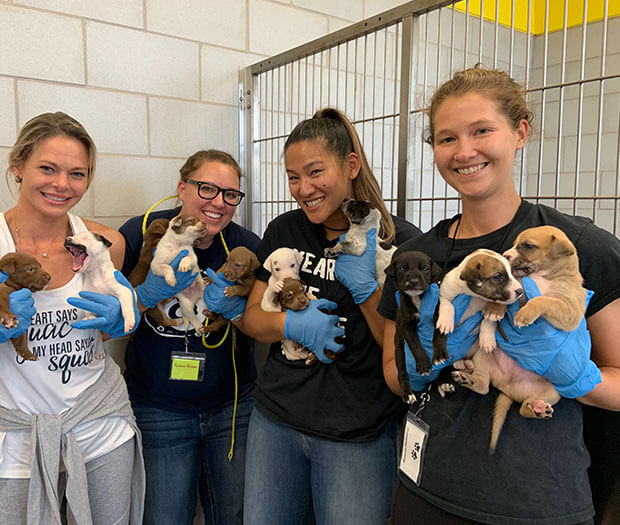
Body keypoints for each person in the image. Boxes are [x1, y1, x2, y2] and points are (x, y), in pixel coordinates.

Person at [378, 66, 620, 524]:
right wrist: (423, 362)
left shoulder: (578, 247)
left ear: (520, 132)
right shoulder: (417, 258)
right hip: (427, 488)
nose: (464, 151)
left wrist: (575, 377)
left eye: (482, 130)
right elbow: (393, 373)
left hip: (537, 501)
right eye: (446, 138)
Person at [0, 112, 145, 524]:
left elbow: (108, 333)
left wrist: (122, 321)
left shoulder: (105, 244)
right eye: (47, 168)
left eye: (77, 174)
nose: (62, 184)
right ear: (17, 166)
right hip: (21, 434)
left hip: (102, 421)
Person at [241, 107, 422, 524]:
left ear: (350, 165)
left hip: (356, 435)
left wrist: (366, 291)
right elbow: (252, 318)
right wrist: (288, 324)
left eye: (315, 172)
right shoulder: (285, 230)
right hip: (275, 421)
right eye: (292, 176)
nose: (304, 188)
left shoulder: (399, 242)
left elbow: (401, 350)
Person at [119, 149, 261, 524]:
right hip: (158, 409)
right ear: (182, 188)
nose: (219, 203)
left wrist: (235, 309)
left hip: (232, 410)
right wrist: (144, 296)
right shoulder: (142, 231)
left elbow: (262, 320)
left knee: (233, 515)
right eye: (207, 189)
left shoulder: (245, 247)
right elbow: (105, 317)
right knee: (164, 516)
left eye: (230, 194)